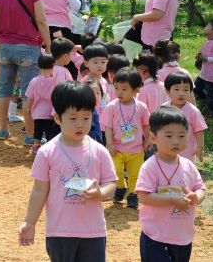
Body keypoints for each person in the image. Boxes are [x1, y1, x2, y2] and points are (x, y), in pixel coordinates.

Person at [18, 81, 117, 262]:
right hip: (60, 232)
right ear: (57, 118)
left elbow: (111, 182)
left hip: (93, 232)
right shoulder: (47, 152)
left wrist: (101, 193)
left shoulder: (99, 151)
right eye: (73, 118)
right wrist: (30, 222)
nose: (80, 124)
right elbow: (39, 190)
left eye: (86, 118)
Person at [0, 0, 52, 140]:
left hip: (5, 47)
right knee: (28, 93)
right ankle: (30, 134)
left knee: (3, 90)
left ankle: (2, 130)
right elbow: (41, 20)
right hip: (29, 48)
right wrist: (49, 46)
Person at [136, 106, 206, 262]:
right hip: (156, 236)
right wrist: (172, 200)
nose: (176, 141)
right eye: (169, 136)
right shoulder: (150, 167)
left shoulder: (188, 165)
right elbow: (144, 197)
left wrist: (197, 197)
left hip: (183, 237)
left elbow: (200, 188)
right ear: (153, 137)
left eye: (182, 135)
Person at [103, 67, 151, 209]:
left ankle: (132, 194)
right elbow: (108, 127)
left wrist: (148, 139)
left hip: (136, 149)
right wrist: (109, 143)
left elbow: (146, 125)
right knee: (115, 170)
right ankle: (120, 187)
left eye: (124, 89)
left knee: (135, 174)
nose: (119, 92)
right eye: (116, 88)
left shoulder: (141, 107)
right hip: (117, 148)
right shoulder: (112, 107)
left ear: (136, 90)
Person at [32, 0, 82, 79]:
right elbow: (76, 6)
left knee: (45, 63)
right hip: (62, 28)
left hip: (41, 29)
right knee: (66, 61)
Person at [163, 73, 207, 162]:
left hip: (187, 154)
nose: (181, 93)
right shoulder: (163, 108)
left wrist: (200, 147)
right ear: (167, 91)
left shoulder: (193, 111)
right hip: (166, 151)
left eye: (186, 90)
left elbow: (199, 130)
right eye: (176, 89)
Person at [25, 54, 58, 154]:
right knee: (49, 131)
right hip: (50, 112)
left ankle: (36, 146)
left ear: (38, 66)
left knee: (38, 130)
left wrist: (28, 107)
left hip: (37, 112)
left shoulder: (34, 81)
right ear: (53, 66)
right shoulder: (55, 81)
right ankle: (49, 148)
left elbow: (30, 97)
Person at [85, 77, 105, 145]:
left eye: (98, 93)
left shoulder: (96, 108)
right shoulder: (89, 112)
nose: (96, 96)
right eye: (92, 93)